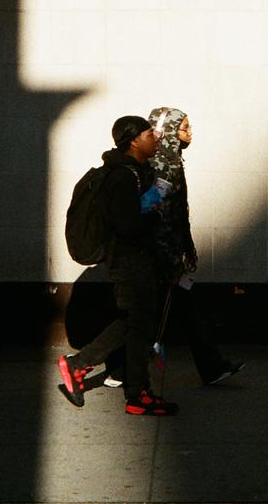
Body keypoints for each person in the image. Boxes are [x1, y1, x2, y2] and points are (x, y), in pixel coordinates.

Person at [103, 106, 244, 389]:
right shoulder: (164, 166)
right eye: (184, 127)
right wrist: (171, 260)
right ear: (168, 130)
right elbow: (163, 217)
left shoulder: (165, 160)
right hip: (158, 256)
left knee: (172, 311)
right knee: (146, 316)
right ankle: (114, 368)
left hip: (161, 253)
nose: (190, 133)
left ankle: (210, 367)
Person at [58, 115, 179, 417]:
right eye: (149, 134)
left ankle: (87, 368)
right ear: (134, 140)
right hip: (129, 261)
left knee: (134, 324)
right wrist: (154, 214)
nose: (156, 138)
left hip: (135, 260)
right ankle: (136, 393)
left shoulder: (133, 173)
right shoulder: (122, 177)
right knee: (138, 327)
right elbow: (126, 226)